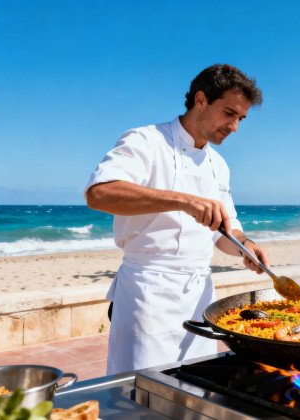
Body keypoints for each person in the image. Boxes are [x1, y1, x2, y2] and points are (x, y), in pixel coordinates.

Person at [84, 64, 269, 375]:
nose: (235, 126)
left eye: (241, 118)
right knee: (141, 390)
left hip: (199, 297)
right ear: (201, 99)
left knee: (196, 386)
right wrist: (184, 200)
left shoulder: (219, 165)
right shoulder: (145, 140)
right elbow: (99, 193)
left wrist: (245, 246)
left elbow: (224, 231)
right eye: (229, 113)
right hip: (147, 293)